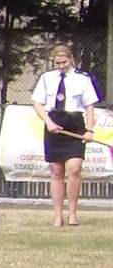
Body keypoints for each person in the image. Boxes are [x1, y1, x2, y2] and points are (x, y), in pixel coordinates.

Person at [31, 42, 99, 228]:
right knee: (56, 171)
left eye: (64, 62)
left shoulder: (82, 79)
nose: (61, 66)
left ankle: (73, 214)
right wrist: (48, 122)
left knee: (74, 169)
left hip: (74, 124)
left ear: (71, 59)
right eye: (57, 63)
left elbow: (89, 106)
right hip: (54, 124)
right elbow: (37, 103)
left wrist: (89, 130)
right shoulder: (46, 78)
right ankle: (57, 215)